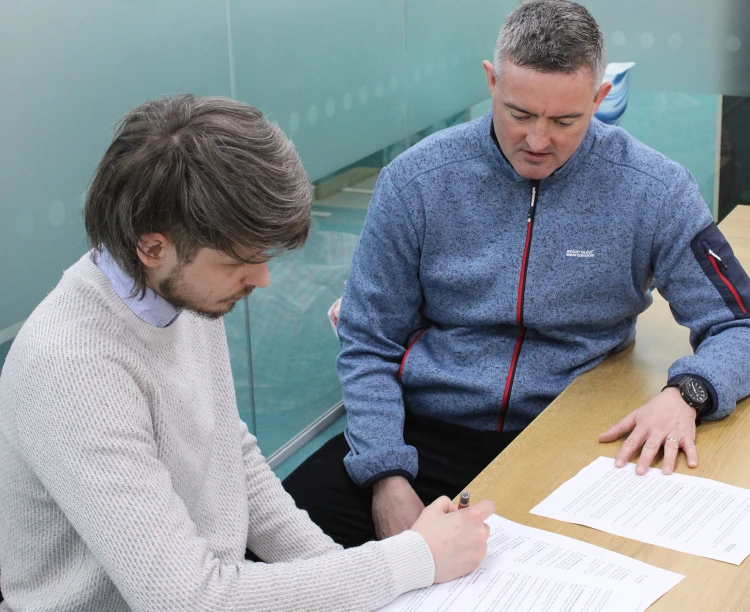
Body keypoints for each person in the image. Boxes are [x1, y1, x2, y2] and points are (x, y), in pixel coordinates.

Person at [283, 0, 750, 549]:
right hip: (423, 431)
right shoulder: (415, 182)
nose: (537, 140)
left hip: (572, 436)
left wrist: (689, 392)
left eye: (565, 121)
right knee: (269, 548)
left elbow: (737, 325)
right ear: (491, 81)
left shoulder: (654, 190)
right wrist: (385, 475)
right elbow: (367, 341)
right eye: (520, 114)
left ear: (600, 98)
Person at [0, 95, 495, 612]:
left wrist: (359, 582)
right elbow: (188, 600)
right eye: (240, 259)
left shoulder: (178, 294)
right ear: (152, 248)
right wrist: (410, 560)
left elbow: (232, 461)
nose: (261, 278)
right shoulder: (71, 368)